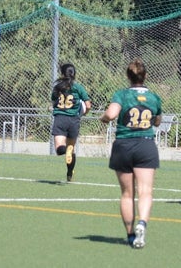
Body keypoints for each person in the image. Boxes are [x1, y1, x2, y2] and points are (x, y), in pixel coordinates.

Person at [100, 59, 162, 249]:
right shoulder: (153, 97)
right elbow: (157, 121)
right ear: (145, 76)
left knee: (127, 194)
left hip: (124, 145)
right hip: (145, 145)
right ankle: (142, 222)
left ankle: (129, 235)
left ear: (128, 76)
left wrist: (102, 117)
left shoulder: (122, 95)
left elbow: (111, 114)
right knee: (146, 191)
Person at [51, 63, 91, 182]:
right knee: (71, 148)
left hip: (60, 119)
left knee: (59, 149)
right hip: (74, 120)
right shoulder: (78, 88)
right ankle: (69, 173)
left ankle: (65, 150)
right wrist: (84, 112)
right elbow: (88, 105)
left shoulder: (57, 87)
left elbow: (53, 102)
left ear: (62, 74)